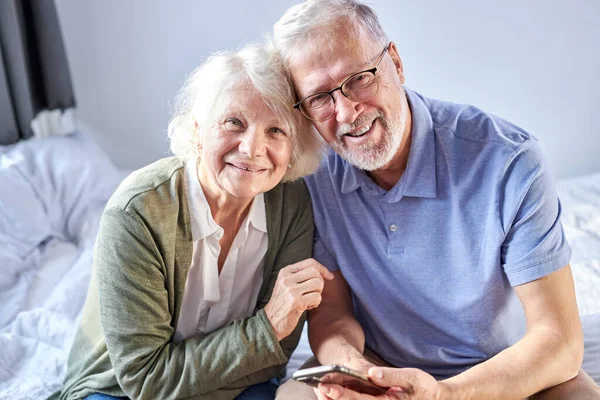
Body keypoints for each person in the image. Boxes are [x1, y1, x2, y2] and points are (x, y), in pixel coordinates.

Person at [272, 1, 600, 399]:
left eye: (359, 79)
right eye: (319, 98)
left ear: (395, 61)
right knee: (294, 396)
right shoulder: (312, 174)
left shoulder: (508, 161)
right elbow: (333, 312)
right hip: (380, 367)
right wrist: (351, 367)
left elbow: (560, 341)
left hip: (505, 372)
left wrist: (444, 394)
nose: (345, 112)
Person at [51, 43, 331, 400]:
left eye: (276, 130)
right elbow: (144, 379)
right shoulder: (137, 212)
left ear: (295, 147)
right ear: (198, 129)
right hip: (118, 391)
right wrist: (264, 330)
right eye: (234, 122)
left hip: (242, 383)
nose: (251, 149)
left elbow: (277, 354)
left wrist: (261, 344)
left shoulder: (292, 205)